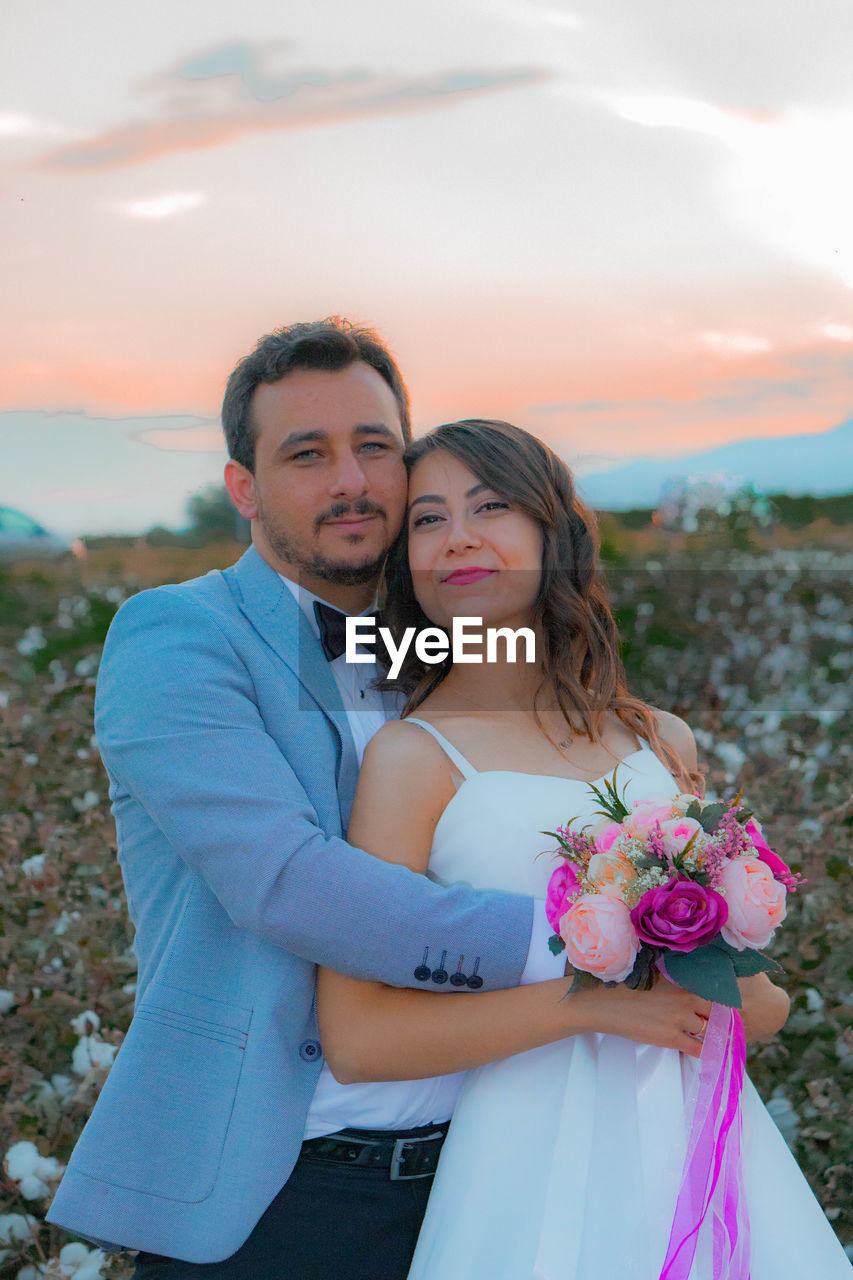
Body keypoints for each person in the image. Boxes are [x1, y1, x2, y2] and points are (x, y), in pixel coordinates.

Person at [46, 319, 566, 1277]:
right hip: (276, 1193)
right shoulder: (175, 636)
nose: (352, 482)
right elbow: (284, 883)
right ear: (243, 487)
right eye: (307, 454)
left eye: (375, 446)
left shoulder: (454, 642)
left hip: (488, 1174)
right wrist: (576, 944)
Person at [315, 418, 853, 1279]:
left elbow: (756, 1009)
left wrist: (717, 938)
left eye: (490, 505)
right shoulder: (410, 759)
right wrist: (587, 1005)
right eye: (426, 517)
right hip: (528, 1161)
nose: (458, 537)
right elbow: (358, 1037)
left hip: (703, 1144)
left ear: (550, 531)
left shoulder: (659, 739)